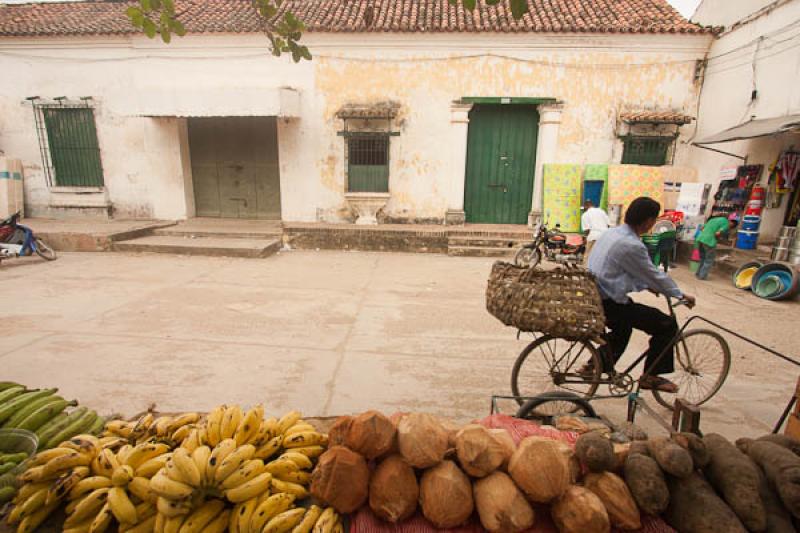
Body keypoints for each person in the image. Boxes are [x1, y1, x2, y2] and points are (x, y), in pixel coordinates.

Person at [587, 197, 696, 393]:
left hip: (597, 296)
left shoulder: (611, 233)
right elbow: (652, 274)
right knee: (666, 325)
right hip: (609, 301)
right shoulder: (632, 244)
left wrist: (646, 285)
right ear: (648, 221)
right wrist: (679, 294)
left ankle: (594, 365)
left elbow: (622, 270)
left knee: (623, 329)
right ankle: (651, 376)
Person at [695, 215, 739, 281]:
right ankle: (702, 276)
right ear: (732, 223)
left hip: (700, 239)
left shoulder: (713, 220)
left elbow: (702, 228)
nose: (729, 228)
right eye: (731, 227)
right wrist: (718, 238)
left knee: (703, 258)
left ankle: (698, 273)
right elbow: (717, 233)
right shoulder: (726, 223)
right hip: (709, 241)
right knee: (709, 260)